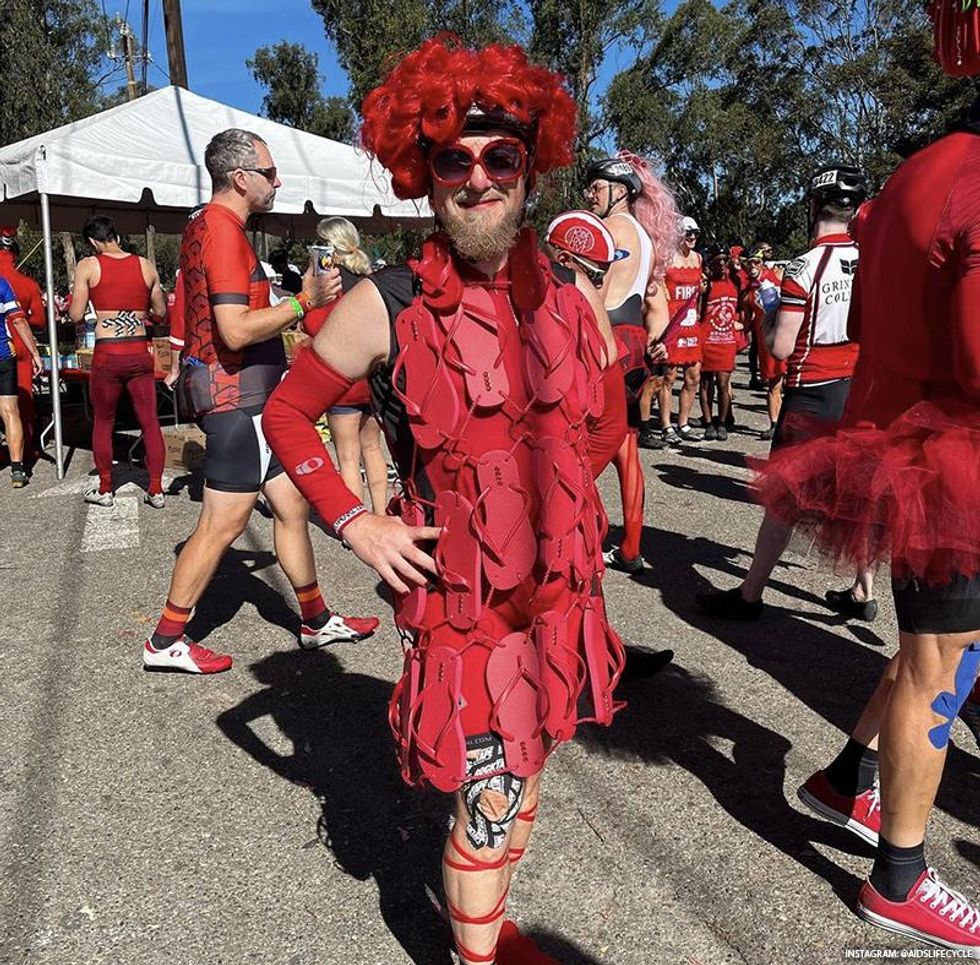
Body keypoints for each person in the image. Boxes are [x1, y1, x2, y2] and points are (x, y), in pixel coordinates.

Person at [262, 39, 627, 964]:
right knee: (490, 799)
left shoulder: (569, 297)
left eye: (498, 156)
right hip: (465, 614)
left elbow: (603, 416)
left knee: (528, 769)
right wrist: (358, 521)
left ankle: (492, 925)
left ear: (528, 168)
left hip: (557, 599)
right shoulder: (384, 302)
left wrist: (564, 511)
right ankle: (475, 953)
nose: (476, 178)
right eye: (452, 159)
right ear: (422, 172)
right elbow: (288, 415)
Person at [754, 120, 980, 954]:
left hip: (908, 441)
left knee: (935, 647)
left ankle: (847, 777)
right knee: (943, 663)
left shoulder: (919, 171)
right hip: (958, 459)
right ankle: (898, 878)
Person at [143, 128, 379, 675]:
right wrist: (304, 300)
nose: (278, 182)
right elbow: (235, 329)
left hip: (246, 400)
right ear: (241, 178)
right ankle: (164, 639)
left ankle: (316, 619)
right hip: (239, 401)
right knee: (221, 525)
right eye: (270, 173)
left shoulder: (205, 226)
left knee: (292, 506)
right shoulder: (223, 232)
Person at [698, 166, 876, 621]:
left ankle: (750, 595)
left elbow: (779, 345)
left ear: (814, 207)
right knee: (857, 495)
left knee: (784, 500)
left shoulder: (804, 266)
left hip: (812, 391)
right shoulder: (875, 258)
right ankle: (863, 590)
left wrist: (772, 310)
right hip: (859, 388)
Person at [583, 153, 677, 573]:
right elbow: (658, 303)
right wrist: (658, 344)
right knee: (626, 447)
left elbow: (593, 300)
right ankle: (631, 546)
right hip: (636, 344)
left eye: (597, 186)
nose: (589, 193)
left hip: (611, 345)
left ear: (620, 191)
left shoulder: (610, 231)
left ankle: (586, 534)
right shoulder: (644, 235)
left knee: (580, 446)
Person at [68, 217, 168, 507]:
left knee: (104, 420)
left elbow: (75, 315)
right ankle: (156, 489)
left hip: (108, 352)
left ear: (92, 241)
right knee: (149, 420)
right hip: (138, 350)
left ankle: (105, 488)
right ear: (116, 236)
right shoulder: (145, 265)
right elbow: (160, 312)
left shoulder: (88, 265)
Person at [303, 217, 388, 514]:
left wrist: (307, 290)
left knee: (348, 457)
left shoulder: (329, 287)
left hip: (343, 383)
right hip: (374, 381)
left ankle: (356, 519)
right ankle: (381, 512)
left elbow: (315, 327)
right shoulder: (369, 280)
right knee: (373, 448)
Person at [654, 215, 703, 449]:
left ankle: (683, 422)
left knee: (694, 376)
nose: (692, 237)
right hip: (672, 324)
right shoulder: (667, 259)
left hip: (692, 324)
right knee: (669, 377)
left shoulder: (699, 258)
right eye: (688, 233)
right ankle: (666, 425)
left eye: (695, 234)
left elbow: (700, 293)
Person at [0, 229, 44, 467]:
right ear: (14, 254)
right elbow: (39, 320)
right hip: (19, 346)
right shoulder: (26, 283)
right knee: (21, 404)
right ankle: (23, 454)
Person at [698, 244, 742, 441]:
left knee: (723, 384)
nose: (722, 265)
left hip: (726, 341)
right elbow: (699, 313)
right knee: (706, 383)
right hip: (707, 340)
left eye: (725, 261)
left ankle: (722, 422)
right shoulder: (707, 286)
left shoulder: (735, 282)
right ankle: (708, 422)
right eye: (718, 262)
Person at [741, 243, 785, 439]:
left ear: (762, 263)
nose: (752, 267)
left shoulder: (778, 275)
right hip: (766, 342)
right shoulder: (747, 294)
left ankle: (790, 422)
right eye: (748, 263)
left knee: (793, 385)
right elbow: (745, 322)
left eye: (756, 262)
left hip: (787, 335)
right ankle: (774, 424)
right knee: (773, 384)